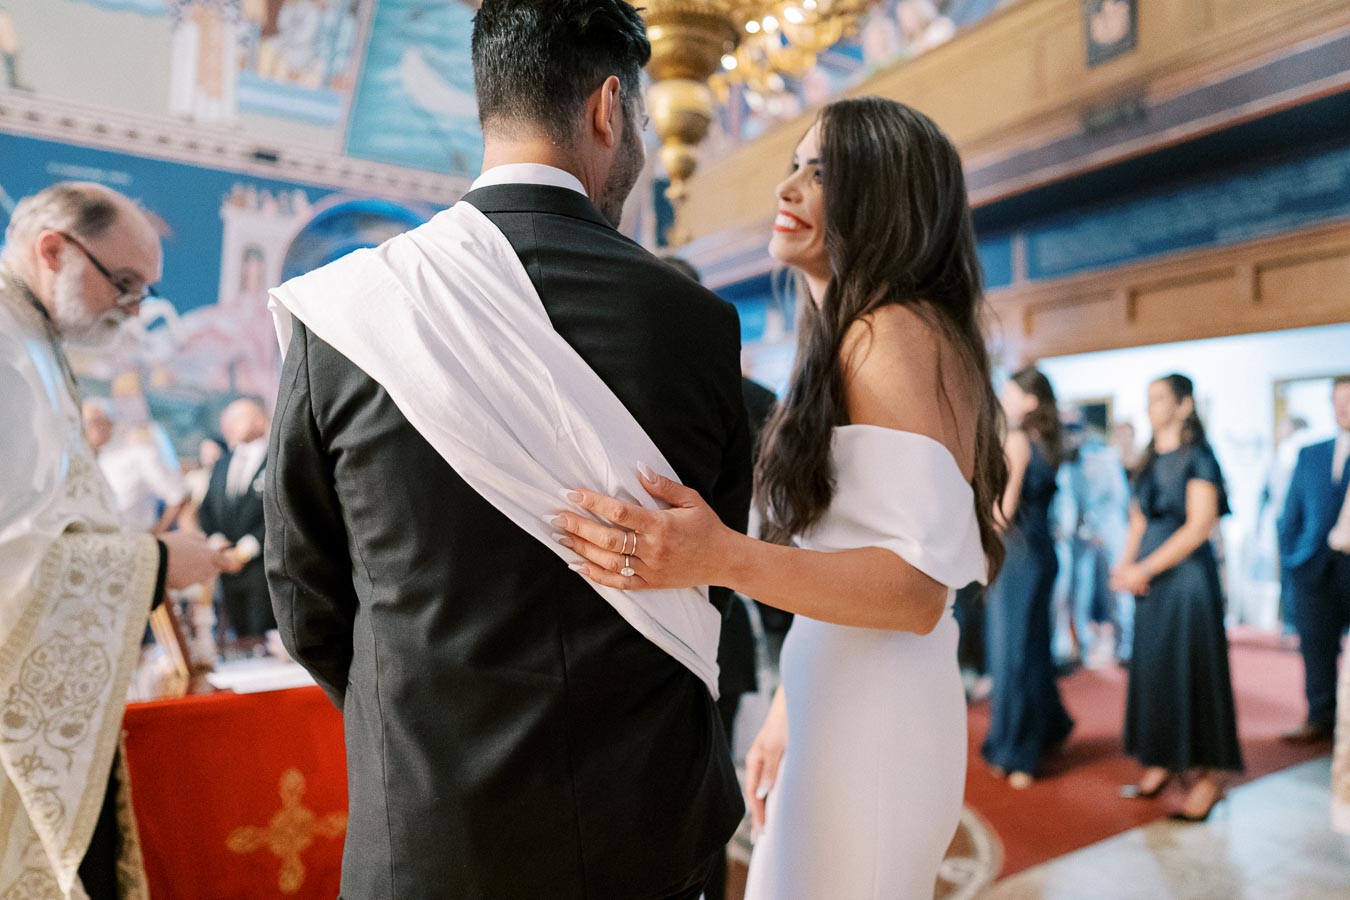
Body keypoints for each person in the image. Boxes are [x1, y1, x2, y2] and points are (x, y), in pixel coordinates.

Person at [265, 3, 749, 897]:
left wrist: (411, 713)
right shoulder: (696, 326)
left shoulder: (350, 317)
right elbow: (709, 569)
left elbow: (303, 595)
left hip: (430, 835)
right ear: (611, 108)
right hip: (644, 829)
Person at [556, 97, 1007, 899]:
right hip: (846, 703)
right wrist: (788, 713)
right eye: (793, 166)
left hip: (875, 726)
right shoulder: (872, 331)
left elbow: (911, 590)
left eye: (822, 171)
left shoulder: (890, 333)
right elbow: (855, 564)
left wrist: (719, 555)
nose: (789, 188)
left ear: (889, 194)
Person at [0, 182, 226, 897]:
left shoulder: (30, 333)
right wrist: (157, 561)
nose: (132, 310)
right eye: (124, 284)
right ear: (52, 249)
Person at [1112, 374, 1242, 822]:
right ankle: (1163, 758)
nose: (1151, 406)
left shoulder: (1199, 456)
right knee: (1155, 670)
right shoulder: (1148, 457)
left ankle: (1210, 776)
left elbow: (1199, 524)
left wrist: (1144, 568)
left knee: (1192, 670)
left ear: (1185, 405)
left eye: (1160, 398)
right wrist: (1124, 567)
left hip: (1186, 579)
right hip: (1150, 577)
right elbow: (1136, 520)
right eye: (1148, 398)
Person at [982, 366, 1074, 788]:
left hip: (1017, 555)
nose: (1003, 394)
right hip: (1042, 552)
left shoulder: (1017, 439)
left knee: (1011, 654)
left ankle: (1017, 752)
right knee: (1032, 650)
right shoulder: (1047, 441)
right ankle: (1043, 730)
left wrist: (977, 544)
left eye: (1011, 390)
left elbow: (1003, 511)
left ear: (1030, 400)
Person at [1278, 377, 1350, 743]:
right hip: (1314, 567)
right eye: (1338, 401)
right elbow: (1290, 513)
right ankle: (1320, 717)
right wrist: (1293, 557)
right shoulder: (1312, 453)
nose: (1344, 408)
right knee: (1316, 647)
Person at [200, 398, 272, 653]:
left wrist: (249, 547)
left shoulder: (277, 456)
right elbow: (207, 508)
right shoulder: (223, 463)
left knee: (265, 637)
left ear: (259, 420)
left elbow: (281, 508)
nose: (229, 426)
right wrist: (218, 541)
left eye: (237, 419)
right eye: (226, 421)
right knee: (240, 638)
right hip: (229, 566)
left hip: (265, 564)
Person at [83, 397, 190, 534]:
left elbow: (178, 495)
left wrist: (156, 536)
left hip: (136, 540)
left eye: (90, 423)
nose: (85, 430)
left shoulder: (140, 454)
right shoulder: (90, 461)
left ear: (108, 422)